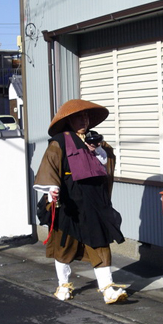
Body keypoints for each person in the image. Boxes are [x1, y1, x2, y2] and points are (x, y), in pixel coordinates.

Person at [33, 99, 128, 305]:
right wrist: (53, 188)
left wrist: (97, 151)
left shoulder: (96, 141)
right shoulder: (59, 141)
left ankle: (107, 288)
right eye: (78, 116)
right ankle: (64, 284)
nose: (83, 120)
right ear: (68, 120)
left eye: (86, 116)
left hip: (94, 200)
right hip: (69, 199)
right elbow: (50, 166)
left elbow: (107, 161)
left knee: (100, 242)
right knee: (65, 244)